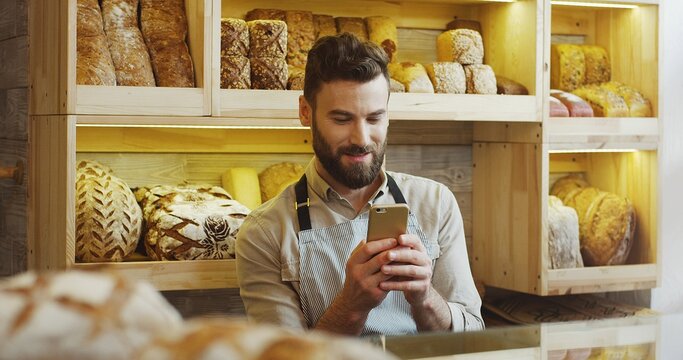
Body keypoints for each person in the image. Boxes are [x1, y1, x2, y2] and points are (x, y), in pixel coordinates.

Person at [236, 33, 484, 336]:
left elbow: (472, 337)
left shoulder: (434, 203)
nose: (362, 139)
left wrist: (425, 297)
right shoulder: (264, 232)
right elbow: (283, 357)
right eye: (342, 119)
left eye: (374, 118)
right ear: (305, 112)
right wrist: (352, 304)